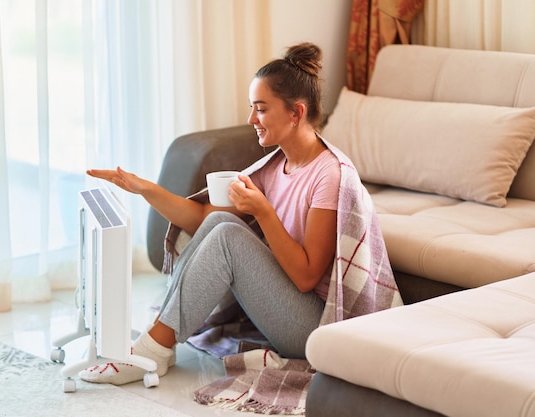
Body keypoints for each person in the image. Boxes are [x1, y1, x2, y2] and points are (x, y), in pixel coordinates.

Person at [81, 42, 400, 386]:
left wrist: (263, 212)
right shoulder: (278, 165)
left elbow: (307, 276)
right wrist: (144, 188)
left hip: (313, 328)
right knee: (221, 222)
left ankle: (151, 351)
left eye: (261, 109)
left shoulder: (330, 176)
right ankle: (158, 343)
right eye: (252, 108)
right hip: (286, 305)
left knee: (228, 235)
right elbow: (204, 216)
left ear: (296, 113)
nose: (251, 120)